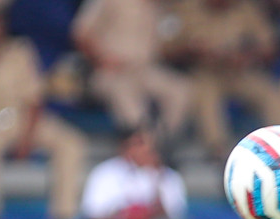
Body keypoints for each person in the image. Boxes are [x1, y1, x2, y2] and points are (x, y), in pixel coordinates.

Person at [0, 8, 86, 219]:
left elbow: (35, 98)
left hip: (28, 117)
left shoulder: (20, 49)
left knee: (72, 143)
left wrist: (27, 138)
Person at [169, 0, 280, 160]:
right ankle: (218, 151)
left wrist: (248, 54)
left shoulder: (247, 8)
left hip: (241, 71)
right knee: (205, 96)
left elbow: (270, 47)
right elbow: (167, 50)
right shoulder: (187, 8)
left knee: (271, 94)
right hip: (205, 71)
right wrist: (192, 49)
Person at [72, 0, 191, 140]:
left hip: (144, 69)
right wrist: (99, 59)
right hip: (109, 71)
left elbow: (166, 42)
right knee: (126, 96)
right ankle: (141, 146)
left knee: (182, 91)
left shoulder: (158, 6)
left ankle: (157, 144)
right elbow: (81, 33)